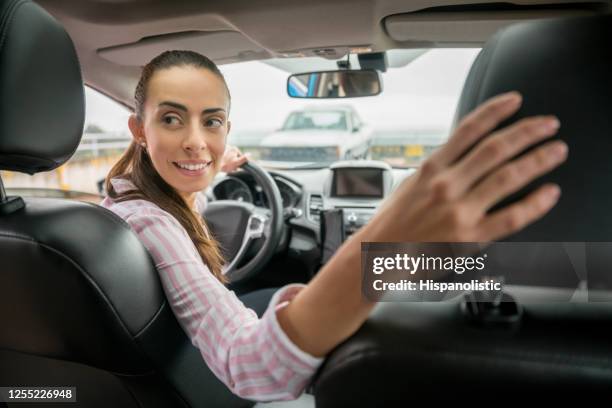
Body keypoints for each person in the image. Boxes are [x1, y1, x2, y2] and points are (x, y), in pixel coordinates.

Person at [100, 50, 567, 403]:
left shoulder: (124, 196)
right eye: (171, 118)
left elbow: (192, 160)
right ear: (139, 129)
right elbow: (251, 368)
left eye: (213, 121)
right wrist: (384, 241)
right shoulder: (153, 223)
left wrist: (215, 167)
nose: (196, 141)